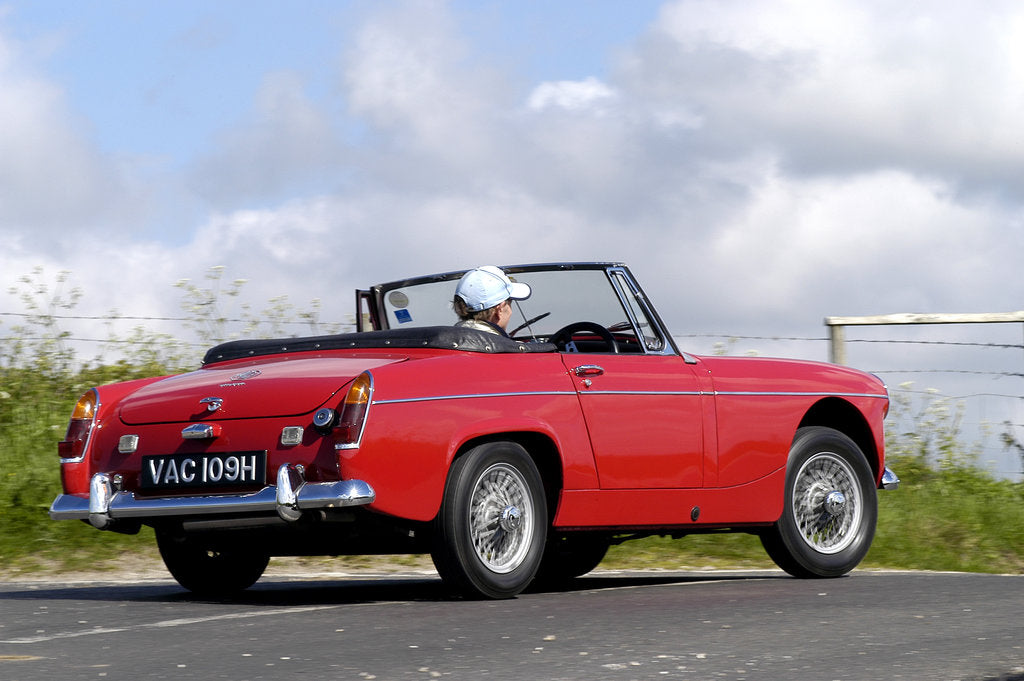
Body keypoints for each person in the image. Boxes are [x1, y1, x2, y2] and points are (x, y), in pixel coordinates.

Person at [453, 265, 531, 337]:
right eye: (510, 303)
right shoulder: (505, 350)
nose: (510, 311)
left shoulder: (445, 343)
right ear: (499, 309)